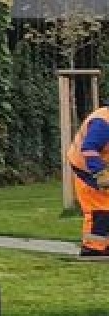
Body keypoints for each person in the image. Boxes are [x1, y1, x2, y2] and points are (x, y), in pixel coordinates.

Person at [67, 105, 109, 257]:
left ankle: (102, 244)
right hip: (87, 168)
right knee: (100, 209)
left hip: (97, 165)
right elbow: (89, 149)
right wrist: (101, 174)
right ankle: (92, 248)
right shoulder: (102, 123)